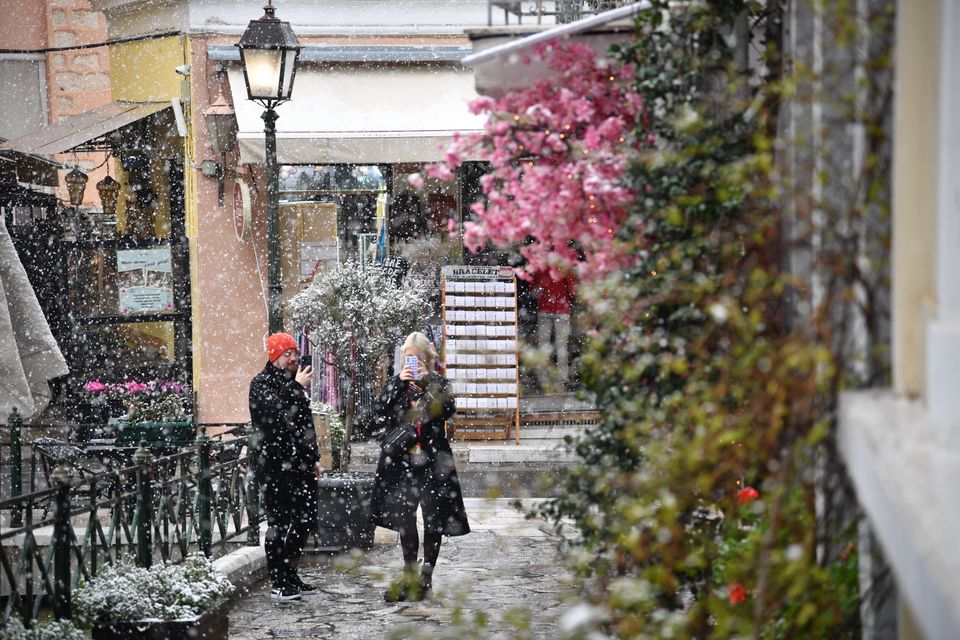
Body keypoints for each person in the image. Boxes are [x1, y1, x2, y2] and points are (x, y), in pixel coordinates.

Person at [369, 331, 470, 602]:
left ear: (427, 360)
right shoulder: (395, 384)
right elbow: (377, 414)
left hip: (433, 461)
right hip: (403, 462)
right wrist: (396, 387)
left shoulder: (439, 383)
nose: (410, 363)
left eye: (416, 358)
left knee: (433, 519)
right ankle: (410, 575)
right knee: (404, 518)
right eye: (407, 358)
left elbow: (447, 409)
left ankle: (426, 577)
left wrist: (427, 382)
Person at [249, 332, 322, 602]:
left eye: (294, 352)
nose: (293, 358)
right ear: (274, 356)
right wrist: (296, 388)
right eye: (286, 354)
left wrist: (313, 457)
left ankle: (290, 574)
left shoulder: (293, 383)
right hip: (274, 466)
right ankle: (279, 583)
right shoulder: (260, 383)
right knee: (278, 524)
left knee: (304, 520)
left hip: (300, 465)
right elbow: (275, 415)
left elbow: (305, 425)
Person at [531, 268, 576, 382]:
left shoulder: (539, 266)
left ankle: (543, 377)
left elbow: (533, 290)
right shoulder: (563, 266)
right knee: (562, 346)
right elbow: (572, 291)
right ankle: (562, 377)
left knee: (543, 345)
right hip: (562, 310)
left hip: (544, 309)